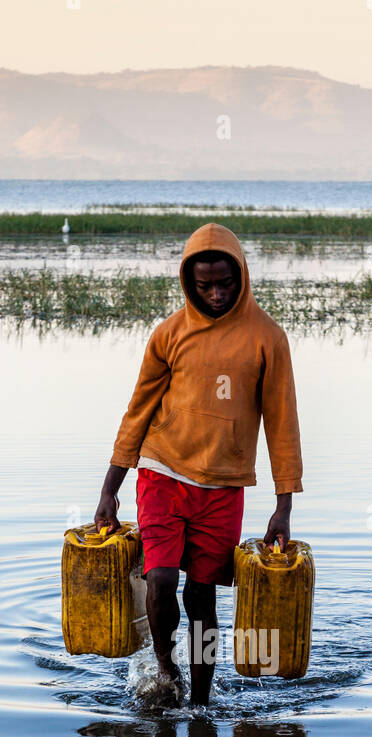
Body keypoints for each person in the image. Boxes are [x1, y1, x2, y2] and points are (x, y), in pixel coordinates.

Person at [95, 222, 303, 706]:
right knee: (162, 578)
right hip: (162, 472)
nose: (214, 294)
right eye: (203, 285)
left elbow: (282, 424)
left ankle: (201, 701)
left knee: (203, 598)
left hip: (224, 486)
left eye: (224, 284)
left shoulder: (267, 338)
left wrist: (283, 505)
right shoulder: (170, 334)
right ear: (188, 282)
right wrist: (110, 487)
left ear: (243, 277)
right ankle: (167, 674)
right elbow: (138, 410)